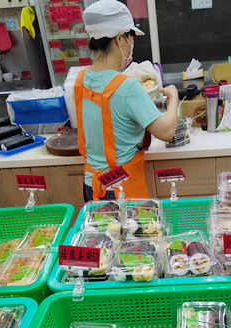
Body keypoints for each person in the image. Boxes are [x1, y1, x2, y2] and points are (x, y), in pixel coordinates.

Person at [76, 0, 179, 202]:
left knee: (101, 235)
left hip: (92, 187)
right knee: (138, 233)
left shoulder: (80, 81)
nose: (132, 45)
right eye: (132, 39)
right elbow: (166, 132)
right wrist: (173, 97)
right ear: (120, 38)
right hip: (121, 190)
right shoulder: (127, 86)